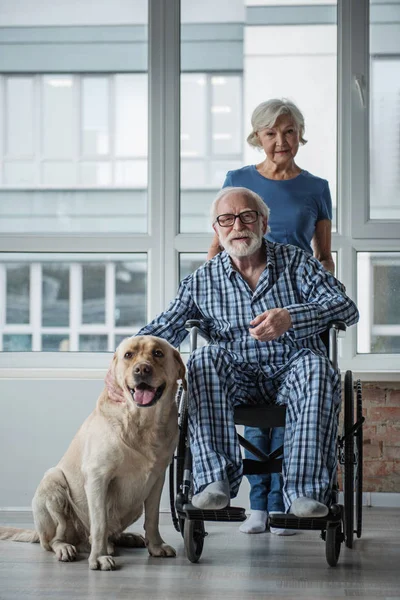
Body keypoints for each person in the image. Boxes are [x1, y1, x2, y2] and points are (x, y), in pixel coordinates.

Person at [106, 187, 359, 522]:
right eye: (227, 219)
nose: (237, 225)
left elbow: (346, 308)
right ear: (217, 229)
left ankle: (304, 491)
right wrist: (118, 368)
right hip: (234, 375)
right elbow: (163, 330)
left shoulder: (298, 263)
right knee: (202, 359)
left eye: (247, 216)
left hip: (294, 368)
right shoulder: (202, 281)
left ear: (264, 224)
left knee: (317, 366)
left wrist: (291, 318)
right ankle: (214, 480)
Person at [208, 98, 334, 535]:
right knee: (253, 411)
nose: (280, 141)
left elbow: (324, 256)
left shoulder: (317, 186)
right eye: (270, 133)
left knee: (297, 397)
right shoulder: (238, 180)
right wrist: (207, 285)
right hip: (244, 296)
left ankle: (287, 501)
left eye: (288, 131)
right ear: (258, 137)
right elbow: (221, 241)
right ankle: (258, 505)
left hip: (295, 296)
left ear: (300, 134)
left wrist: (318, 303)